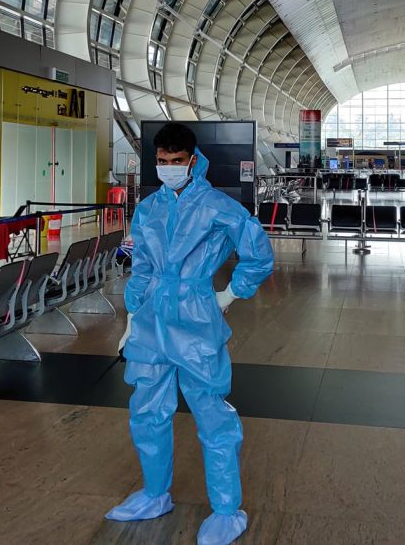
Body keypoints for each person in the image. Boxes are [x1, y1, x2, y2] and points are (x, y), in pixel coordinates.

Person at [106, 123, 274, 545]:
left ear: (193, 160)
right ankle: (154, 493)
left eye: (175, 162)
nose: (167, 169)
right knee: (147, 411)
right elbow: (142, 267)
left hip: (197, 318)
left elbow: (258, 252)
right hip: (151, 322)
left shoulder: (217, 206)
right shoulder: (148, 209)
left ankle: (226, 509)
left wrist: (230, 294)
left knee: (212, 415)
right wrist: (131, 317)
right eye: (161, 162)